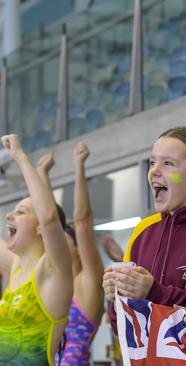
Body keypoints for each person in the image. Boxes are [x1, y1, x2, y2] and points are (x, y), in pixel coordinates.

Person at [102, 127, 186, 325]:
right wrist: (115, 297)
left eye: (168, 164)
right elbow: (119, 325)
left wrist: (153, 292)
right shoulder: (144, 230)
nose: (154, 171)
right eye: (152, 162)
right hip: (145, 357)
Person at [0, 134, 74, 365]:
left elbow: (50, 218)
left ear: (41, 228)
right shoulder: (15, 266)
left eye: (21, 212)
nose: (9, 215)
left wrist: (20, 156)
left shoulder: (53, 272)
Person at [37, 145, 106, 366]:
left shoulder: (87, 284)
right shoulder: (53, 287)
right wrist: (42, 176)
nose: (55, 248)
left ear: (78, 249)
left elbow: (83, 223)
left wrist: (79, 166)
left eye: (63, 242)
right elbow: (47, 222)